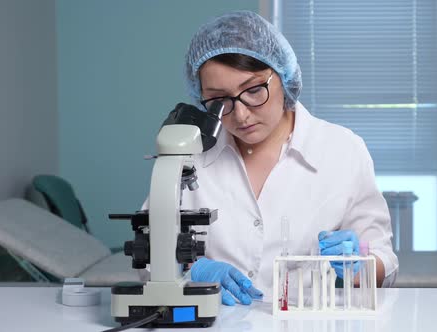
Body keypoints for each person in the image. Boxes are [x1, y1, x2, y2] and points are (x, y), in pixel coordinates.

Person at [142, 10, 398, 306]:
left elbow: (385, 263)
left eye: (253, 90)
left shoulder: (343, 150)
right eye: (219, 100)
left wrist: (359, 263)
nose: (240, 114)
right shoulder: (188, 155)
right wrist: (191, 270)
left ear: (283, 75)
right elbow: (145, 249)